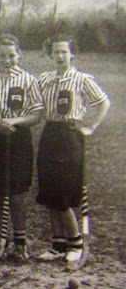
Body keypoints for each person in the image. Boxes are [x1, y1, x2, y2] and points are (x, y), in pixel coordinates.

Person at [35, 34, 110, 266]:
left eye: (64, 52)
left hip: (69, 135)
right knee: (49, 191)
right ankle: (58, 244)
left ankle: (75, 242)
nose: (59, 56)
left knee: (62, 192)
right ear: (50, 55)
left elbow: (103, 103)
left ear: (72, 53)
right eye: (55, 52)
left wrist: (91, 127)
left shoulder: (81, 79)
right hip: (49, 133)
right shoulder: (44, 79)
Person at [0, 34, 44, 260]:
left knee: (17, 195)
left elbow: (36, 115)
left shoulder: (28, 80)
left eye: (12, 55)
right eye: (2, 55)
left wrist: (13, 121)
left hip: (18, 139)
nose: (7, 59)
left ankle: (20, 243)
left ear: (19, 55)